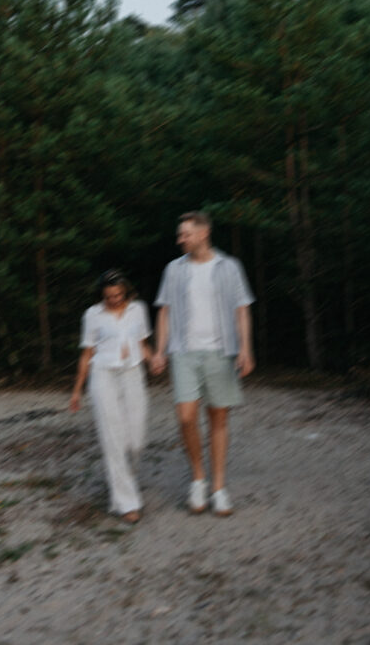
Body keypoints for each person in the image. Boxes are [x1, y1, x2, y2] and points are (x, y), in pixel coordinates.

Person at [151, 212, 255, 516]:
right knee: (185, 418)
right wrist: (160, 350)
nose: (180, 239)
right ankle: (198, 477)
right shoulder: (174, 269)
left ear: (203, 233)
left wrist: (245, 349)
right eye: (179, 234)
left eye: (185, 234)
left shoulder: (229, 267)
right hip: (184, 352)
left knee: (218, 420)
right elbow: (164, 312)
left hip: (221, 352)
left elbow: (242, 310)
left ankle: (219, 487)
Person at [69, 269, 153, 524]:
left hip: (132, 374)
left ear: (126, 291)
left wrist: (156, 360)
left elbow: (143, 344)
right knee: (112, 438)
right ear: (101, 295)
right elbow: (86, 355)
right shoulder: (92, 315)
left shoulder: (138, 310)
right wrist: (76, 391)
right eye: (108, 296)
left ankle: (125, 479)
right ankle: (127, 502)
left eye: (118, 295)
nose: (114, 300)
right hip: (103, 375)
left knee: (136, 439)